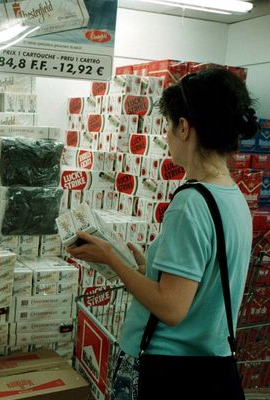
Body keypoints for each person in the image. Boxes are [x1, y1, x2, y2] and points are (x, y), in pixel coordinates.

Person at [67, 67, 260, 400]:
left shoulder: (191, 203)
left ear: (184, 127)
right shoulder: (233, 197)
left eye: (168, 126)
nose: (167, 136)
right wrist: (149, 269)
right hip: (211, 364)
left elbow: (171, 309)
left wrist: (111, 258)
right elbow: (202, 286)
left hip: (167, 369)